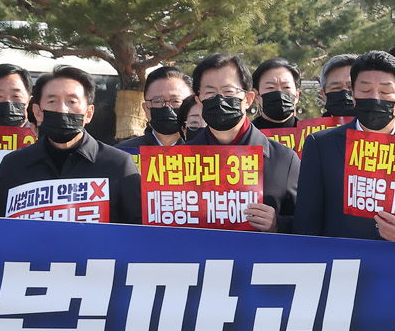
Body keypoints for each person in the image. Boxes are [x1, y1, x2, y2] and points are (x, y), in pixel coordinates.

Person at [294, 50, 395, 241]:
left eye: (385, 91)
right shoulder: (321, 145)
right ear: (353, 94)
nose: (375, 98)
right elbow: (306, 224)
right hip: (341, 264)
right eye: (365, 91)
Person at [0, 66, 141, 222]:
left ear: (88, 113)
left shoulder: (118, 164)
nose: (62, 109)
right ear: (37, 112)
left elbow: (137, 230)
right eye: (52, 101)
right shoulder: (14, 164)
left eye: (72, 101)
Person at [177, 52, 299, 232]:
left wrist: (277, 223)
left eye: (228, 92)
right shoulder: (178, 161)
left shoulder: (283, 159)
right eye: (210, 93)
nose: (219, 99)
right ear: (199, 101)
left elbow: (309, 223)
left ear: (248, 99)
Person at [117, 66, 194, 153]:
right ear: (145, 109)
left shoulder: (206, 153)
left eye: (175, 101)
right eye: (158, 101)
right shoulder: (124, 153)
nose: (167, 108)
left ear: (191, 107)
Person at [252, 57, 304, 130]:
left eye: (286, 87)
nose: (280, 94)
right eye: (270, 87)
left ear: (297, 95)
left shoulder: (310, 136)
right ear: (256, 96)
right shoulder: (245, 138)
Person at [318, 54, 358, 120]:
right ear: (324, 95)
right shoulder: (312, 129)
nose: (345, 93)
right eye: (336, 88)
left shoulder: (379, 129)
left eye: (351, 86)